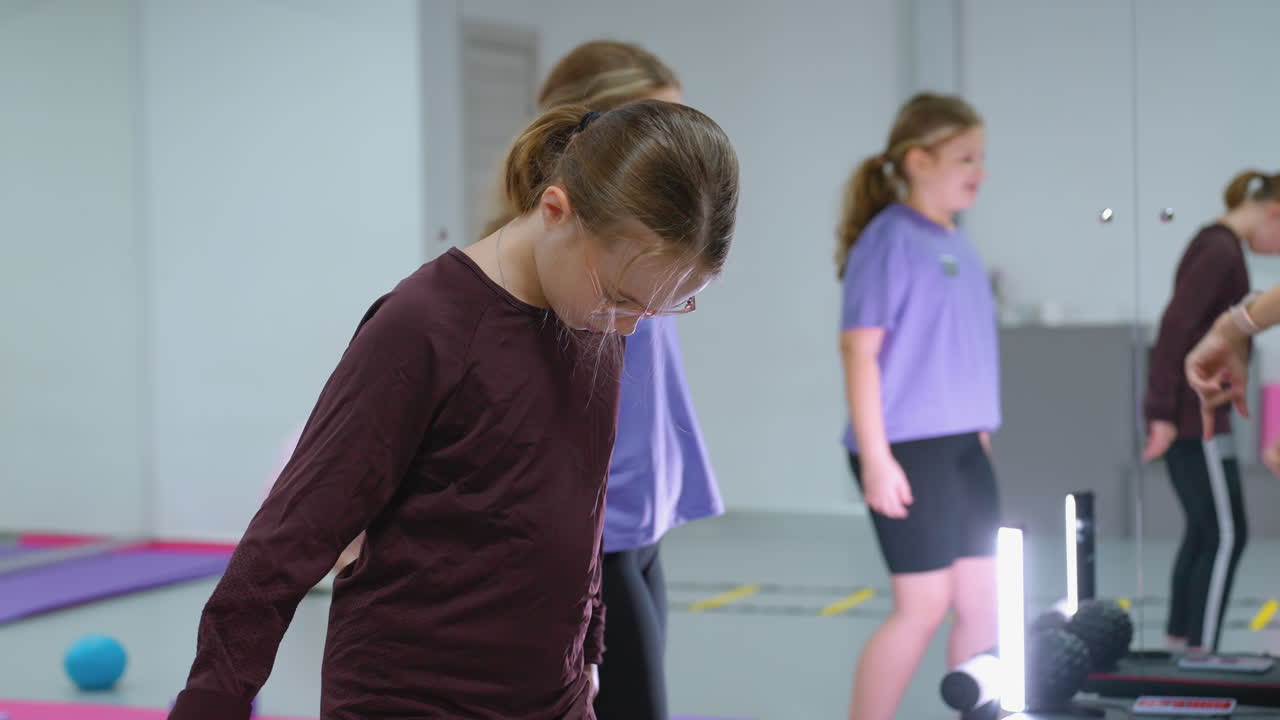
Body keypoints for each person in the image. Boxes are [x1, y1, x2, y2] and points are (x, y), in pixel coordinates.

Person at [168, 100, 739, 720]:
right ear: (555, 211)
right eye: (621, 299)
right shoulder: (426, 325)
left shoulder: (591, 315)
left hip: (553, 695)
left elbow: (582, 500)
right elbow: (291, 535)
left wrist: (590, 647)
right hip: (412, 699)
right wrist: (211, 701)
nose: (630, 327)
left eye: (663, 309)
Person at [480, 41, 721, 720]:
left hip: (640, 517)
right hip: (597, 530)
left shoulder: (647, 248)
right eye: (656, 127)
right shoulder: (572, 269)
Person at [835, 93, 999, 720]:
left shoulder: (958, 240)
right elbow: (859, 353)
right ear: (919, 160)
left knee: (982, 601)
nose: (978, 170)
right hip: (906, 447)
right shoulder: (889, 240)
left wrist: (980, 432)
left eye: (982, 158)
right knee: (923, 606)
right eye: (965, 157)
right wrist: (876, 458)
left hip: (964, 444)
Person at [1142, 170, 1280, 652]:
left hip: (1195, 413)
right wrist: (1159, 412)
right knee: (1226, 533)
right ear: (1274, 213)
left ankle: (1182, 643)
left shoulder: (1216, 247)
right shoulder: (1220, 251)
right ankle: (1201, 651)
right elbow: (1176, 326)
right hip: (1193, 417)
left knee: (1205, 531)